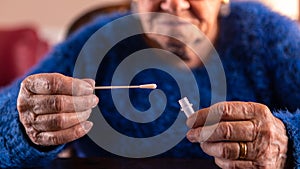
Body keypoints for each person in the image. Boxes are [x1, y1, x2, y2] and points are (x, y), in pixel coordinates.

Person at [0, 0, 299, 168]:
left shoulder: (268, 37)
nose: (173, 4)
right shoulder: (97, 43)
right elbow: (8, 114)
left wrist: (287, 144)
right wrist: (23, 127)